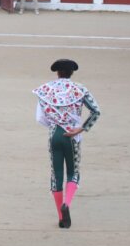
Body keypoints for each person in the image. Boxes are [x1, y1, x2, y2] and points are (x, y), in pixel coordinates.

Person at [33, 59, 101, 229]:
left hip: (54, 134)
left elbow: (40, 118)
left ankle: (61, 216)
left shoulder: (46, 90)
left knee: (56, 175)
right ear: (72, 73)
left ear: (57, 73)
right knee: (73, 172)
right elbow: (96, 111)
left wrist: (54, 125)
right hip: (72, 135)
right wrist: (81, 129)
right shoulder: (80, 89)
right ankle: (67, 204)